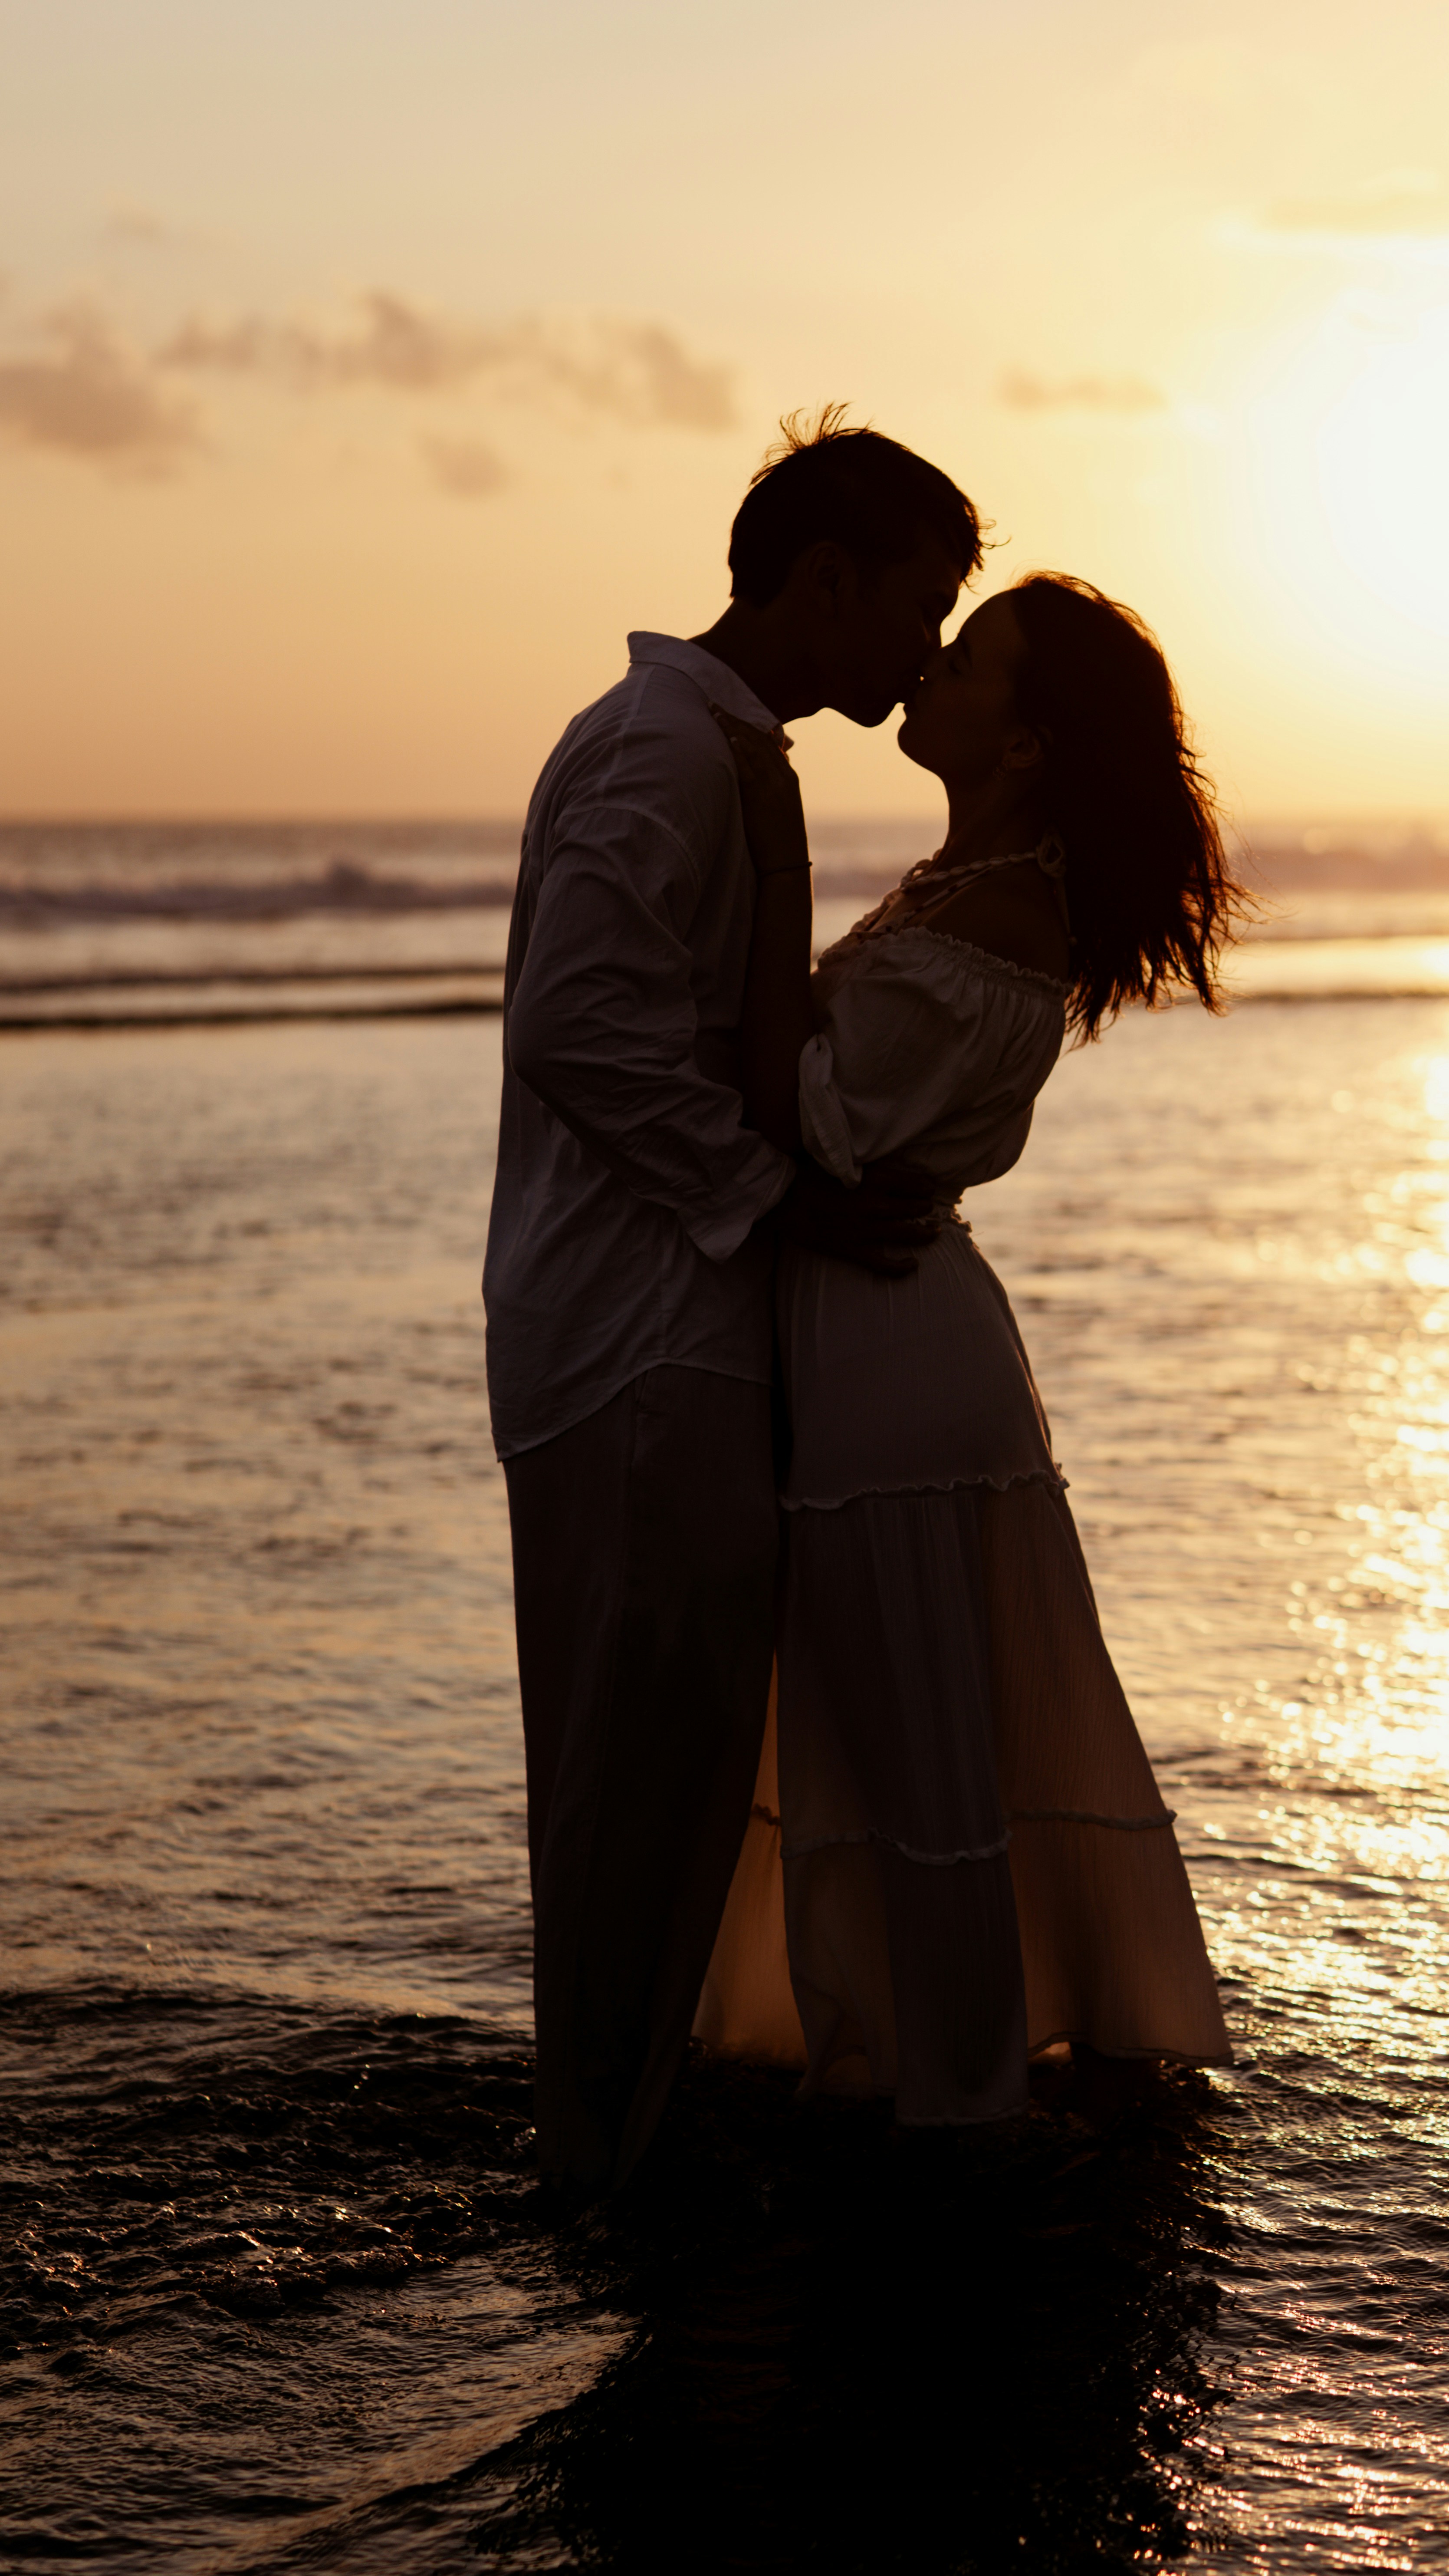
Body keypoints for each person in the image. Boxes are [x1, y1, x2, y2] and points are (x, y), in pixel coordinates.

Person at [483, 412, 982, 2195]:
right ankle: (594, 2177)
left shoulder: (714, 753)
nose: (924, 652)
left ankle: (610, 2146)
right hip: (629, 1343)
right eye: (913, 610)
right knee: (633, 1782)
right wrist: (777, 1196)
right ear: (820, 580)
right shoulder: (665, 756)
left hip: (660, 1329)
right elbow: (575, 1028)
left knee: (672, 1775)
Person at [697, 573, 1242, 2119]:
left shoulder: (1002, 909)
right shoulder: (968, 880)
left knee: (917, 1753)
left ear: (1021, 742)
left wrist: (774, 852)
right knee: (886, 1737)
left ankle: (951, 2092)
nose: (929, 666)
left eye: (972, 657)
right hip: (877, 1323)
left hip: (890, 1351)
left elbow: (796, 1109)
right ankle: (918, 2066)